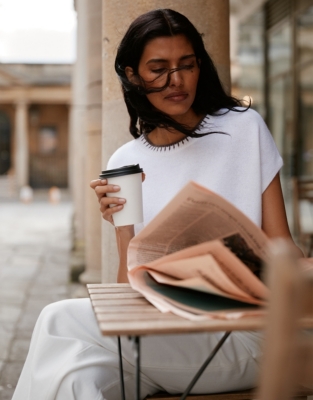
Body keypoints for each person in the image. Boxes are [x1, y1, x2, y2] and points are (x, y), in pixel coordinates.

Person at [12, 9, 303, 400]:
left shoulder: (243, 128)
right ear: (133, 75)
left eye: (186, 65)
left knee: (58, 320)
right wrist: (123, 226)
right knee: (75, 377)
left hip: (243, 336)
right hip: (161, 336)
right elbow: (126, 295)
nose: (176, 80)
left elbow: (283, 247)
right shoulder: (123, 163)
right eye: (158, 68)